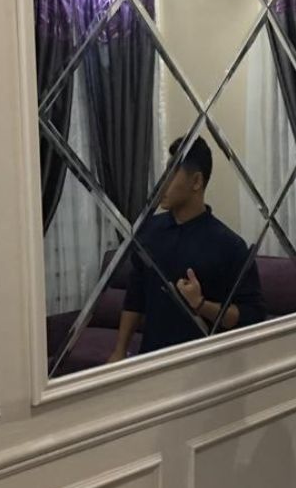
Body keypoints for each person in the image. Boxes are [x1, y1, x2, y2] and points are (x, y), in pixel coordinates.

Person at [107, 136, 266, 360]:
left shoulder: (229, 246)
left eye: (172, 173)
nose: (162, 182)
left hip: (205, 364)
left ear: (196, 181)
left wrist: (201, 305)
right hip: (151, 360)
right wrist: (120, 350)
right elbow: (135, 296)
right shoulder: (149, 231)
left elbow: (251, 316)